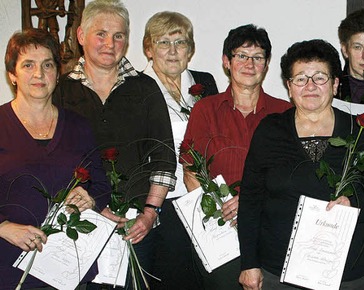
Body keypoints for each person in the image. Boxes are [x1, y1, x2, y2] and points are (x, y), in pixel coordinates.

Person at [238, 39, 364, 290]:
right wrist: (249, 263)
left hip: (345, 269)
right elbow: (251, 200)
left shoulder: (358, 130)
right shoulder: (270, 130)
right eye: (300, 78)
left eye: (319, 77)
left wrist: (352, 203)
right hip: (279, 269)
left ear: (335, 84)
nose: (310, 86)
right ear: (289, 86)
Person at [52, 0, 177, 288]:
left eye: (119, 35)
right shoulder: (60, 90)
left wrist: (150, 213)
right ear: (81, 36)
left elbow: (164, 156)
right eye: (102, 34)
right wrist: (90, 208)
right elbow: (53, 159)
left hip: (135, 227)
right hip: (78, 223)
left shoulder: (145, 89)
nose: (110, 43)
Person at [182, 24, 291, 289]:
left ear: (267, 65)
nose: (250, 64)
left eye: (258, 57)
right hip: (221, 232)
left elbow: (291, 175)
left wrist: (251, 203)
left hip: (270, 232)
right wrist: (219, 210)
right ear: (226, 62)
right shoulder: (205, 109)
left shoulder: (285, 113)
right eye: (242, 55)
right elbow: (191, 169)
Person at [0, 28, 110, 289]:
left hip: (70, 268)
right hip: (8, 268)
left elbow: (103, 186)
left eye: (47, 65)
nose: (39, 74)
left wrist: (90, 198)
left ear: (57, 74)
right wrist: (4, 228)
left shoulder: (78, 126)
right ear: (12, 75)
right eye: (28, 65)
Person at [141, 11, 218, 289]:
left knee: (207, 278)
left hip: (206, 198)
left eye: (180, 42)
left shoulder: (205, 82)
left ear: (191, 49)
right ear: (148, 49)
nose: (172, 51)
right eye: (163, 42)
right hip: (165, 202)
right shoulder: (136, 89)